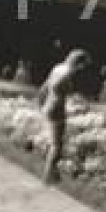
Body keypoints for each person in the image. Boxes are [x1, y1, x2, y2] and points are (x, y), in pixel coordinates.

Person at [37, 49, 89, 183]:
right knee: (57, 145)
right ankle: (48, 176)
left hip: (48, 105)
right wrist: (73, 102)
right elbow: (59, 88)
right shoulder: (67, 73)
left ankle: (53, 174)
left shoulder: (58, 67)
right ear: (78, 62)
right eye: (82, 65)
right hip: (56, 109)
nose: (82, 69)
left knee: (55, 142)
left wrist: (41, 103)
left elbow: (45, 86)